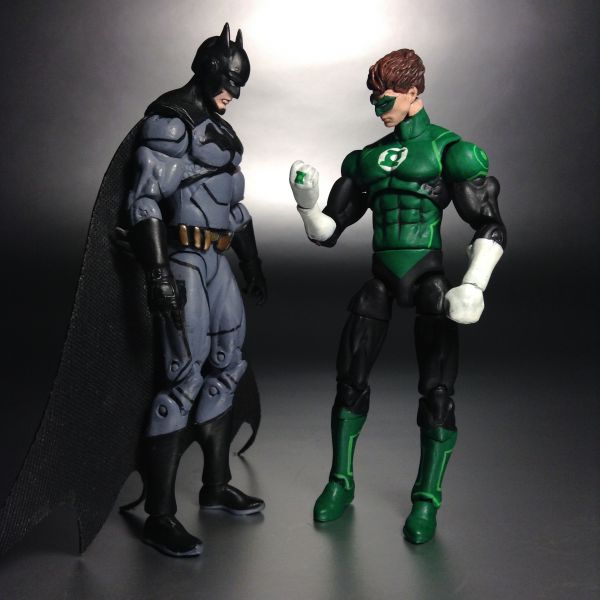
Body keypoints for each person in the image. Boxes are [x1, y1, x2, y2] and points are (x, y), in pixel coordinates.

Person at [289, 48, 506, 544]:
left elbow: (490, 224)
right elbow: (328, 231)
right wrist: (306, 205)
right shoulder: (365, 159)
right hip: (381, 279)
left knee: (437, 392)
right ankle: (340, 481)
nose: (378, 108)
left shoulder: (450, 151)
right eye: (373, 100)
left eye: (385, 99)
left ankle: (426, 499)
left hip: (429, 278)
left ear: (413, 93)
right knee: (349, 380)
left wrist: (474, 283)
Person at [128, 23, 267, 557]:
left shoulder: (222, 131)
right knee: (182, 378)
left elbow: (235, 206)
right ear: (209, 71)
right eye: (230, 82)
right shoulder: (170, 121)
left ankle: (215, 485)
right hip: (183, 259)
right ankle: (159, 515)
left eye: (240, 85)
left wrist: (251, 261)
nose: (234, 94)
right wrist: (157, 272)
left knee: (228, 367)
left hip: (218, 260)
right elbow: (144, 201)